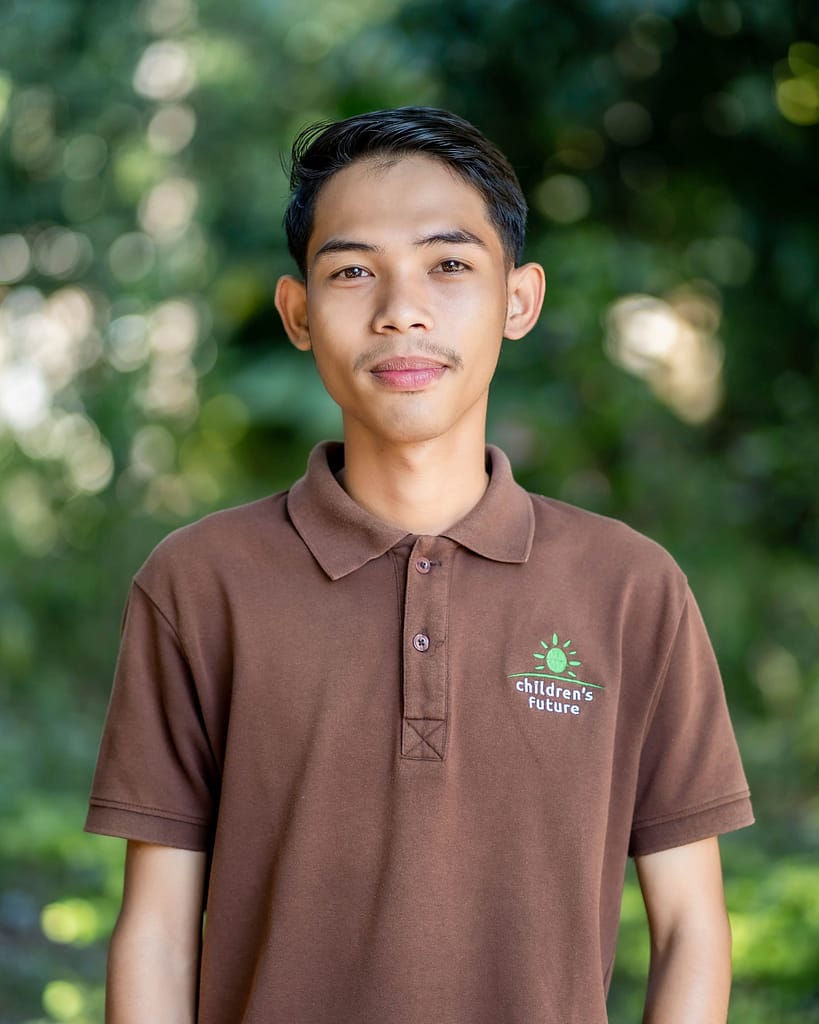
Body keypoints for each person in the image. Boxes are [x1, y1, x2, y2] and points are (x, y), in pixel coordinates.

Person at [86, 106, 753, 1024]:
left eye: (448, 265)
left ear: (518, 300)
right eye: (353, 271)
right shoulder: (199, 584)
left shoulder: (631, 589)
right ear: (297, 312)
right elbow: (158, 933)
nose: (401, 309)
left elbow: (689, 932)